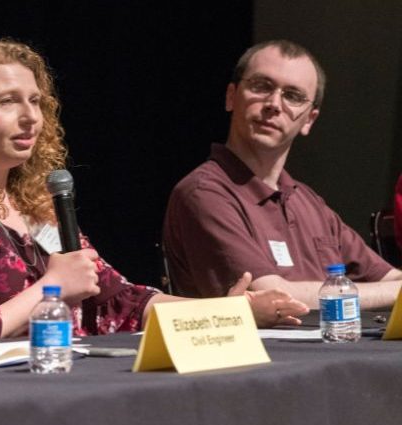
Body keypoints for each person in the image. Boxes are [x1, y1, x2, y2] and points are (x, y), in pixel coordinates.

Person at [0, 39, 307, 341]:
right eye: (9, 101)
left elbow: (119, 302)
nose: (31, 117)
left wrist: (226, 313)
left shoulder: (37, 205)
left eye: (36, 101)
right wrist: (50, 288)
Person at [164, 40, 402, 309]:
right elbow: (274, 298)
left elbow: (388, 277)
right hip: (259, 351)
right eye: (261, 86)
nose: (274, 104)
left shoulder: (308, 201)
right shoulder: (204, 193)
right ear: (231, 96)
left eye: (293, 95)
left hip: (334, 348)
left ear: (309, 120)